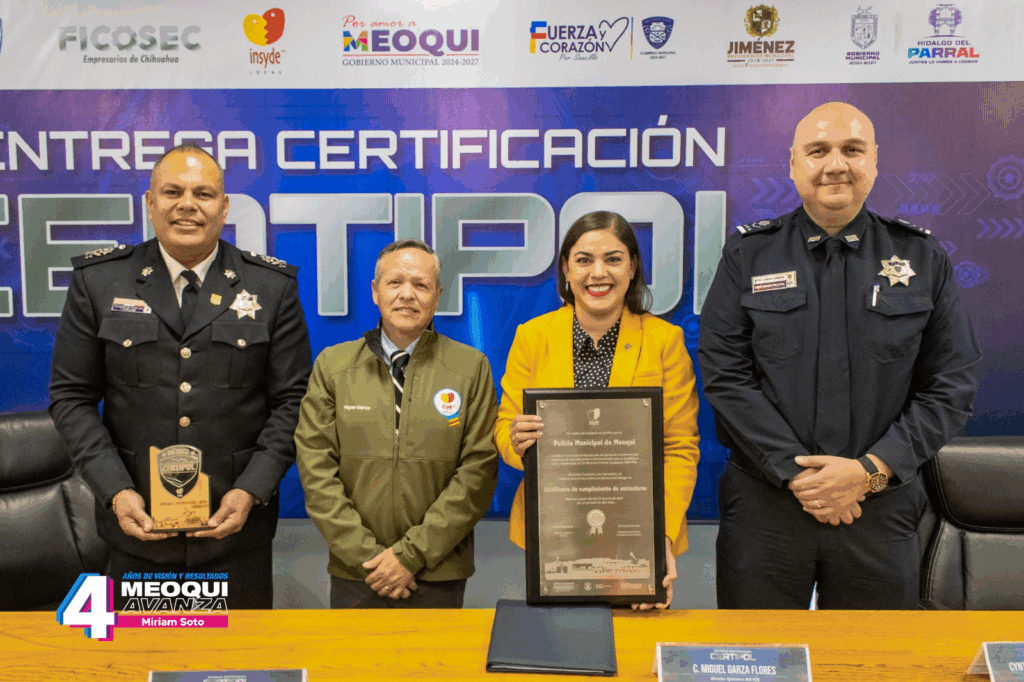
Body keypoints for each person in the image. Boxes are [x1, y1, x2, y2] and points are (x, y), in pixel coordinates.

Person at [698, 102, 981, 609]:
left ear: (874, 160)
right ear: (793, 164)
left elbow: (951, 384)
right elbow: (725, 375)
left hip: (879, 506)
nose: (836, 164)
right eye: (818, 151)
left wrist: (869, 470)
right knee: (758, 650)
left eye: (852, 149)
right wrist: (800, 475)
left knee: (874, 651)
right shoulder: (748, 254)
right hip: (765, 508)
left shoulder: (921, 257)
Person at [49, 144, 312, 609]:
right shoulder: (100, 281)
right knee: (140, 654)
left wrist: (252, 489)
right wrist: (115, 489)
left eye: (203, 194)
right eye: (172, 192)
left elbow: (295, 401)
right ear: (150, 203)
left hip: (234, 534)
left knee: (237, 655)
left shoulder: (271, 287)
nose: (187, 204)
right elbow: (71, 397)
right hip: (137, 531)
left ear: (224, 208)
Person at [495, 211, 700, 610]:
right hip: (552, 528)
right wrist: (516, 441)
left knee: (634, 643)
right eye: (584, 260)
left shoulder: (665, 341)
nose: (598, 273)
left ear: (632, 267)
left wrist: (657, 539)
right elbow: (505, 429)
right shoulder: (533, 337)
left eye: (613, 259)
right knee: (557, 640)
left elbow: (679, 447)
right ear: (566, 270)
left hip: (638, 529)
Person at [295, 239, 498, 608]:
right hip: (358, 573)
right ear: (376, 291)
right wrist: (369, 559)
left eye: (420, 285)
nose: (407, 294)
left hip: (438, 570)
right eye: (395, 283)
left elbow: (478, 472)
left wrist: (410, 556)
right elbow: (315, 469)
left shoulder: (471, 367)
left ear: (437, 296)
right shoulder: (333, 365)